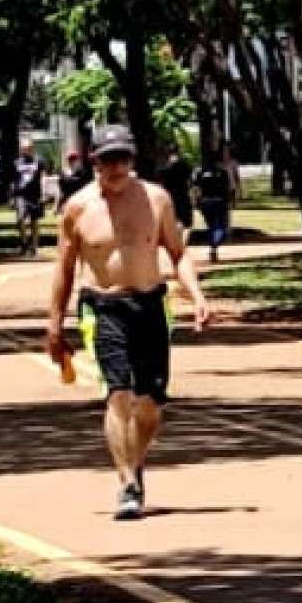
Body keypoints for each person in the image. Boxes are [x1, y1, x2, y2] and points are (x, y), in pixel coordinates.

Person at [45, 125, 214, 522]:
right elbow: (64, 269)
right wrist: (54, 325)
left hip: (150, 305)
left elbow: (177, 252)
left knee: (150, 406)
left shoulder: (156, 199)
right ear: (94, 162)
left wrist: (198, 295)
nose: (117, 167)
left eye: (123, 158)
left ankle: (133, 462)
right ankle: (127, 484)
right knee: (118, 393)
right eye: (108, 160)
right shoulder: (78, 208)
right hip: (103, 307)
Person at [191, 145, 236, 264]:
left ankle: (213, 245)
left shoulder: (200, 172)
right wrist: (231, 200)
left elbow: (196, 188)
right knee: (221, 227)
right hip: (219, 201)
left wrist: (196, 201)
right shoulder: (222, 173)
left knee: (211, 226)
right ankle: (214, 246)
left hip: (206, 202)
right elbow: (229, 188)